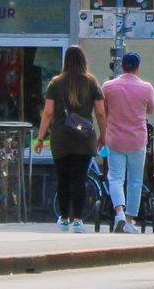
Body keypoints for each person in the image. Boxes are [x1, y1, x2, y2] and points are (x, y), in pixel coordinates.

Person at [34, 45, 107, 233]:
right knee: (80, 178)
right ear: (83, 60)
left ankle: (64, 218)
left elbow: (48, 112)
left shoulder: (55, 83)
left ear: (65, 61)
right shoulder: (92, 82)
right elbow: (100, 112)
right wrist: (103, 135)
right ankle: (78, 220)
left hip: (61, 136)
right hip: (84, 136)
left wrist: (41, 138)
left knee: (63, 178)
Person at [101, 52, 154, 232]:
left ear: (122, 66)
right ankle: (131, 219)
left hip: (115, 138)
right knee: (135, 180)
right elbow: (151, 109)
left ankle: (119, 212)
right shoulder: (146, 88)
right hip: (136, 140)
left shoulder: (108, 87)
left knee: (116, 177)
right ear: (138, 67)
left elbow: (104, 110)